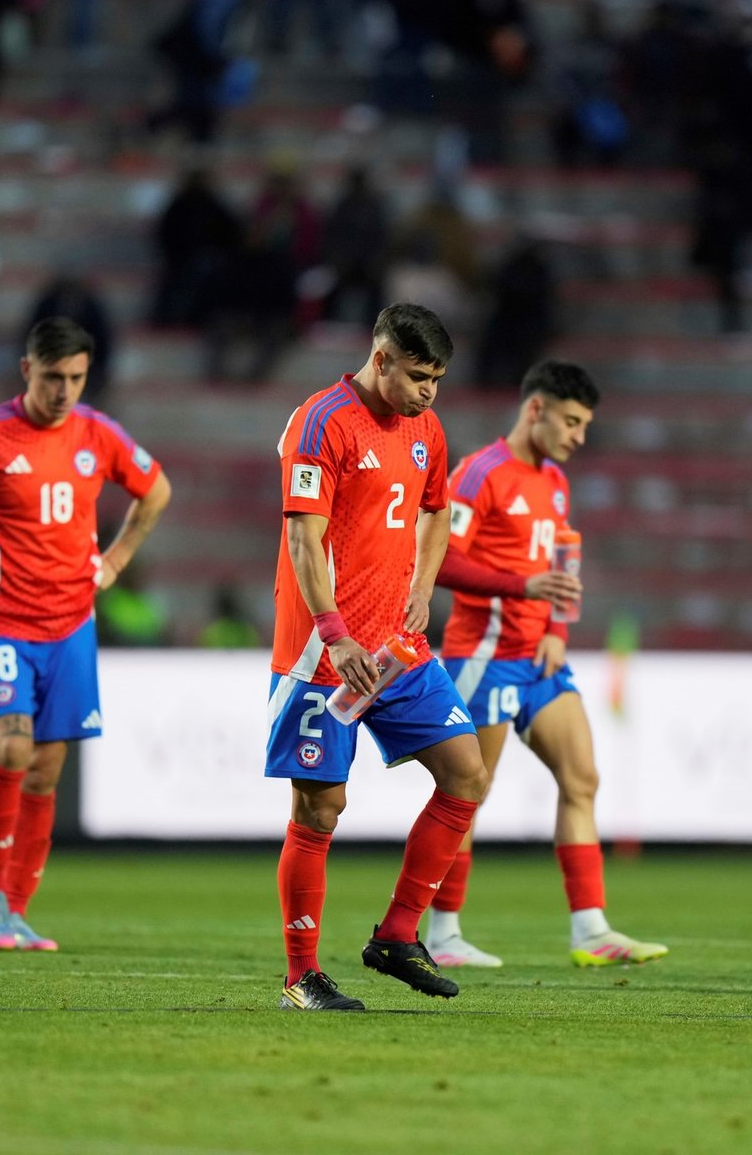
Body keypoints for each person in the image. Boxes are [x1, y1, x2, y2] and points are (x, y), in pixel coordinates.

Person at [0, 317, 172, 953]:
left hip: (72, 625)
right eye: (54, 376)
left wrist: (113, 561)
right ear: (26, 369)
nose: (65, 390)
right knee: (11, 751)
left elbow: (157, 489)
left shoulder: (97, 432)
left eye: (77, 378)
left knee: (47, 768)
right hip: (1, 623)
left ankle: (17, 910)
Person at [269, 303, 489, 1011]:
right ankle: (301, 975)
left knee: (466, 775)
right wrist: (334, 631)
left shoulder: (427, 429)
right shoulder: (322, 422)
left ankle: (398, 935)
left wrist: (422, 588)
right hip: (324, 652)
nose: (429, 392)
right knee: (321, 809)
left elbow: (435, 512)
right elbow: (306, 538)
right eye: (419, 376)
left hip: (397, 646)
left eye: (439, 380)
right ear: (382, 357)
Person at [427, 360, 667, 969]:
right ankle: (442, 933)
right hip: (484, 655)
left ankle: (590, 930)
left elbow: (562, 558)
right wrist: (521, 587)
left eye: (585, 424)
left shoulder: (555, 481)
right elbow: (438, 563)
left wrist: (557, 627)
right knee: (467, 793)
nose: (579, 435)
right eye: (571, 421)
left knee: (582, 778)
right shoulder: (479, 474)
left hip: (538, 659)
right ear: (535, 409)